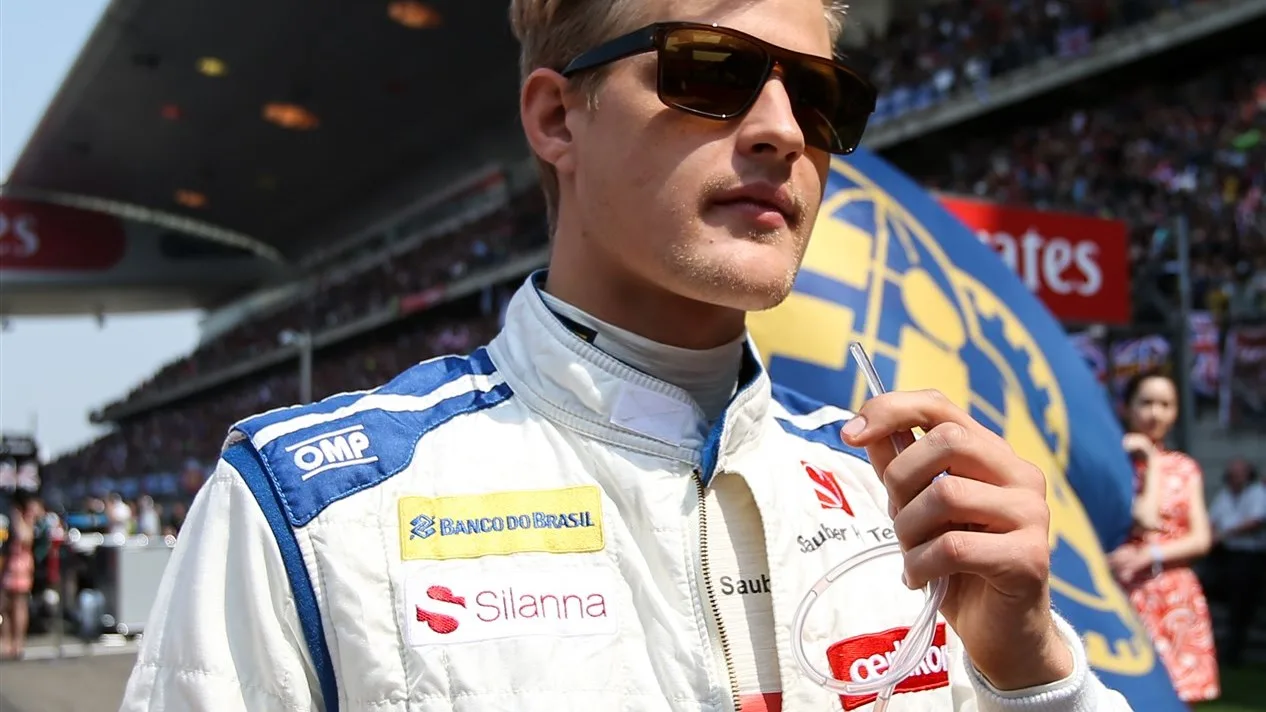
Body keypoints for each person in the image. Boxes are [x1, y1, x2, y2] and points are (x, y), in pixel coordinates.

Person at [121, 0, 1134, 709]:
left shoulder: (905, 502)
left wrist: (1034, 667)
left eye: (822, 98)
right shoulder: (312, 512)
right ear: (558, 117)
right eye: (713, 72)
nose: (783, 130)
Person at [1106, 371, 1219, 704]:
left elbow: (1200, 539)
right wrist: (1147, 463)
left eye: (1166, 404)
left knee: (1181, 697)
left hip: (1174, 597)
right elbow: (1144, 518)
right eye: (1147, 403)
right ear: (1126, 407)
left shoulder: (1185, 468)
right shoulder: (1112, 464)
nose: (1156, 413)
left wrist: (1150, 554)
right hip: (1126, 594)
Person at [1206, 457, 1266, 667]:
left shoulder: (1257, 493)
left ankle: (1233, 654)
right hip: (1226, 555)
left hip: (1250, 557)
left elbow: (1256, 521)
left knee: (1241, 605)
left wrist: (1224, 534)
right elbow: (1211, 520)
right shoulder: (1224, 495)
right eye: (1232, 474)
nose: (1235, 478)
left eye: (1239, 474)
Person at [0, 490, 37, 660]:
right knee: (4, 605)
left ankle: (18, 642)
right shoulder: (6, 518)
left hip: (22, 565)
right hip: (7, 564)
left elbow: (26, 537)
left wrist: (16, 518)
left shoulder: (28, 517)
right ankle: (5, 641)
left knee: (19, 605)